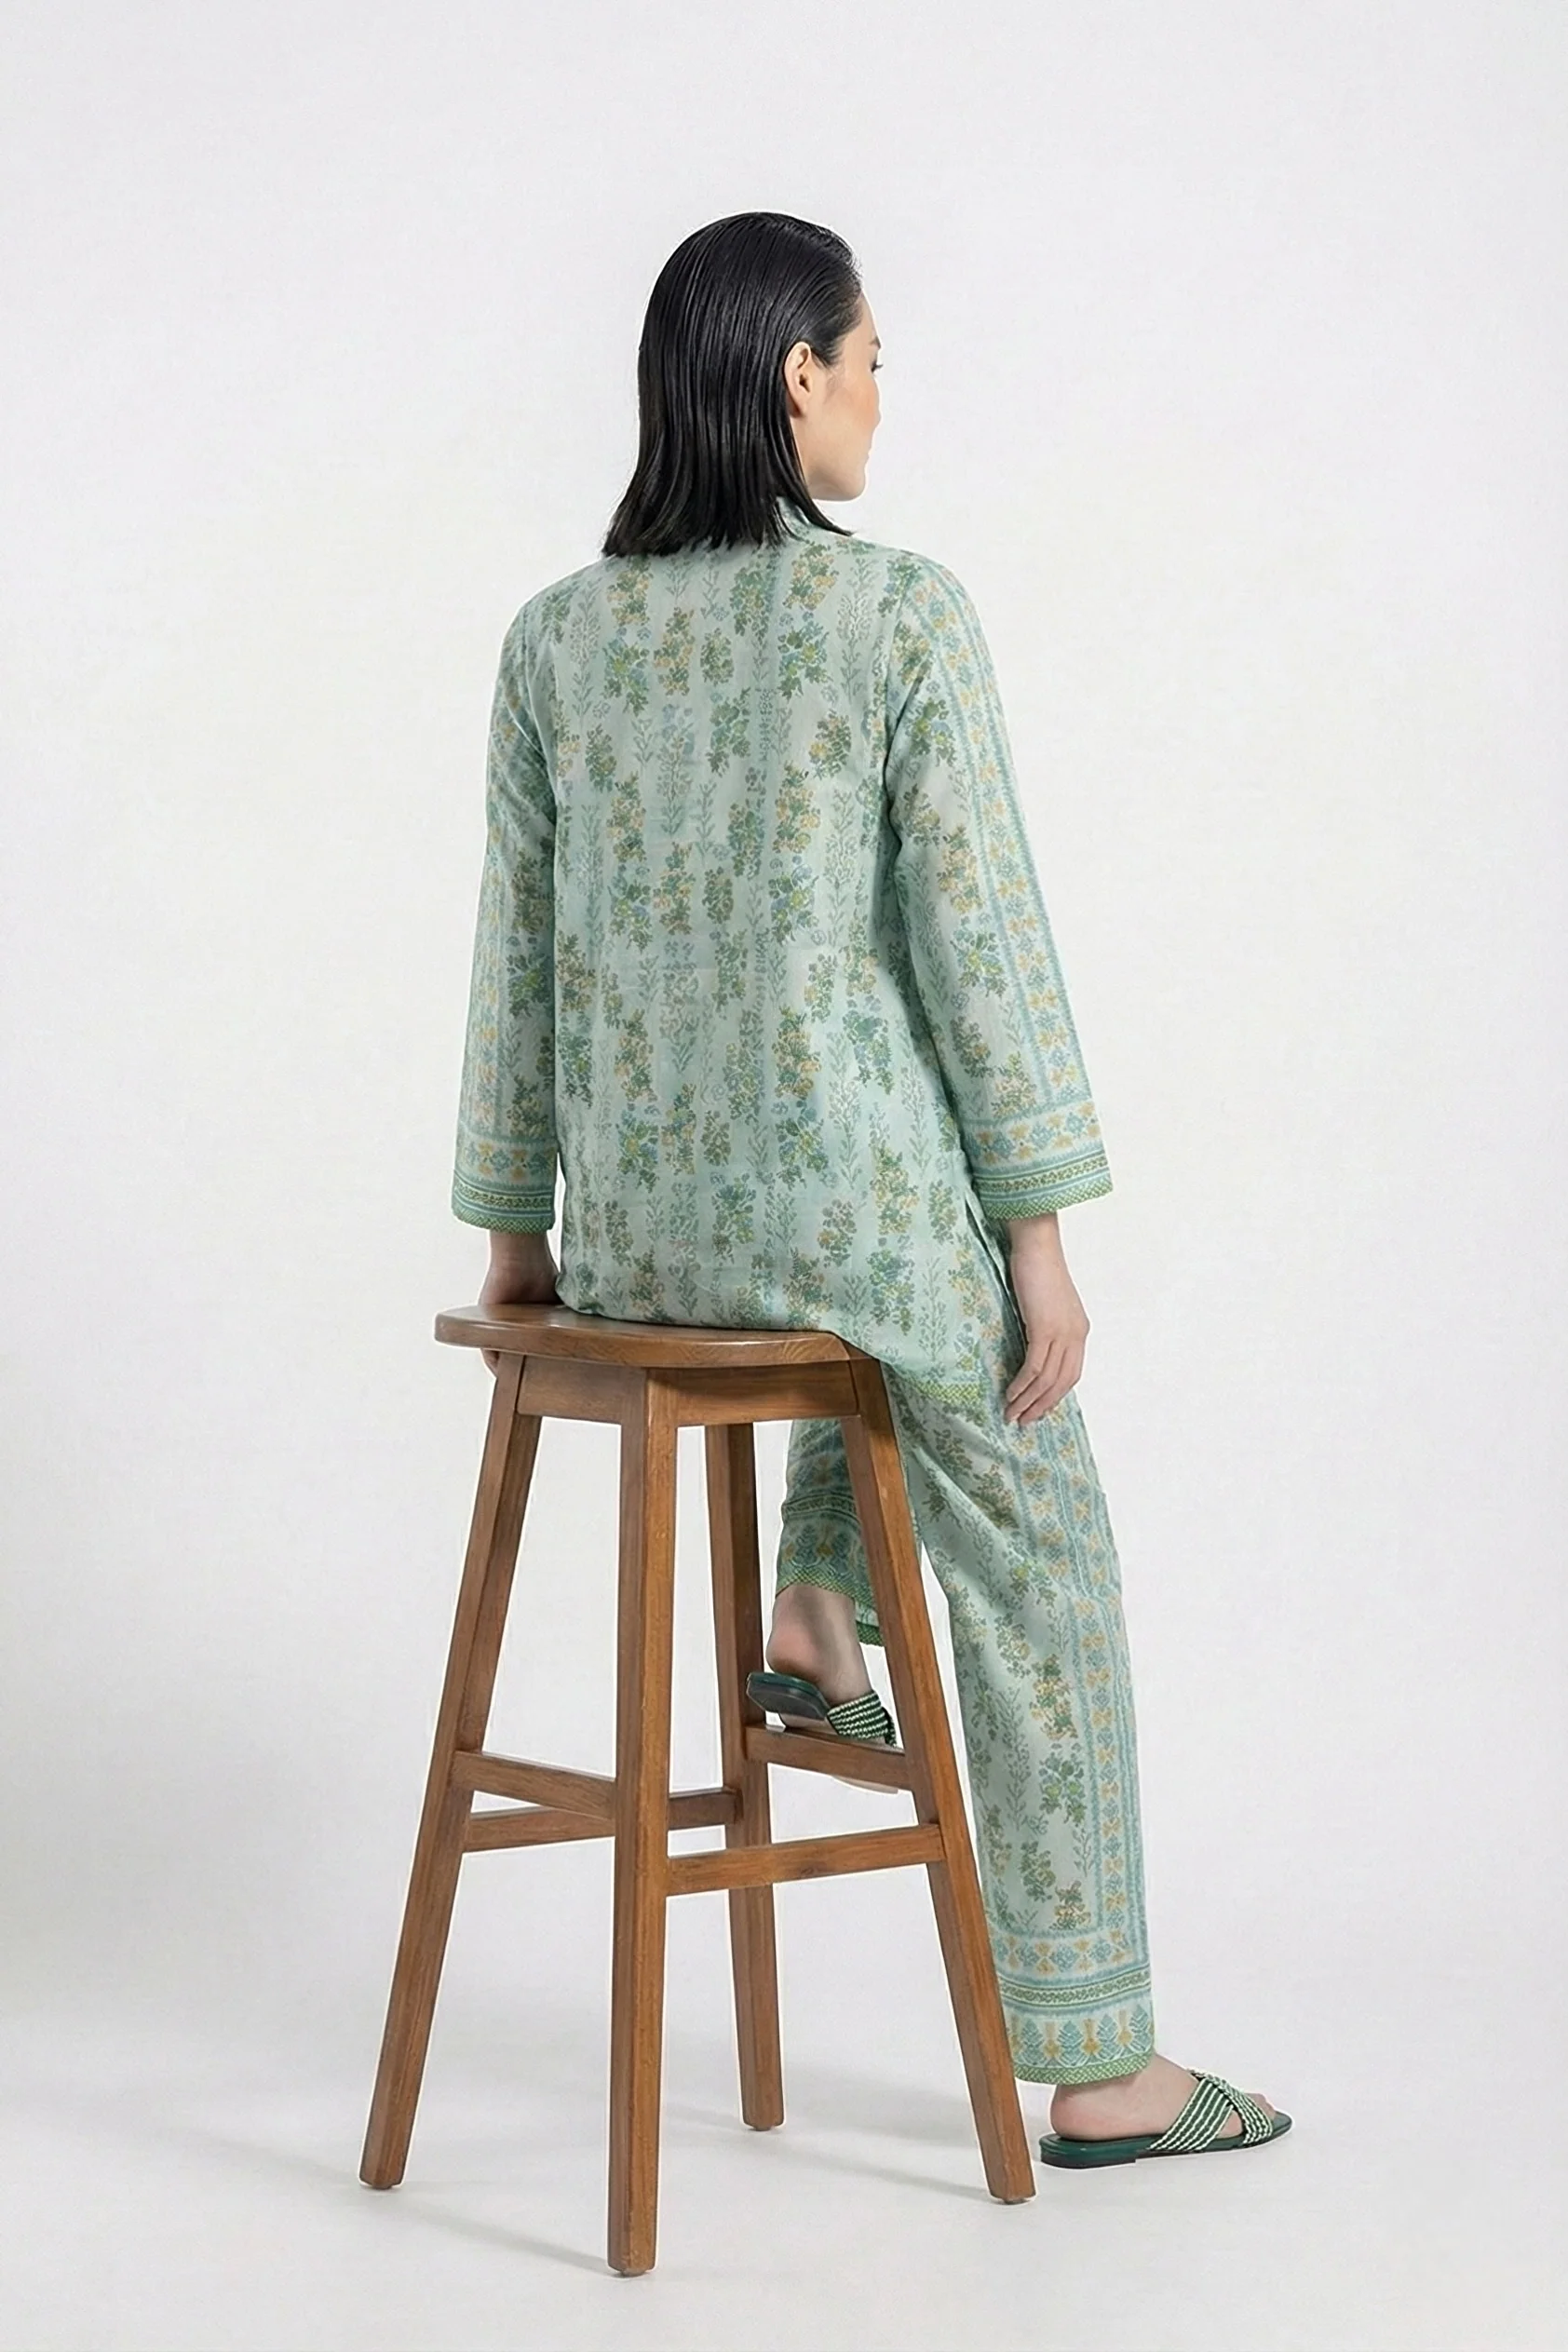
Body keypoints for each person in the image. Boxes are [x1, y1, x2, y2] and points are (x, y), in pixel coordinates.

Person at [451, 210, 1289, 2167]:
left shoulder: (554, 638)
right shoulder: (898, 613)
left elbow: (519, 953)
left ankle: (816, 1618)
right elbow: (977, 945)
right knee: (1035, 1528)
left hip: (640, 1253)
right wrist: (1038, 1239)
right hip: (843, 1222)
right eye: (871, 360)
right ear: (795, 375)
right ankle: (1101, 2066)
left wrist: (517, 1239)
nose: (882, 399)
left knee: (867, 1336)